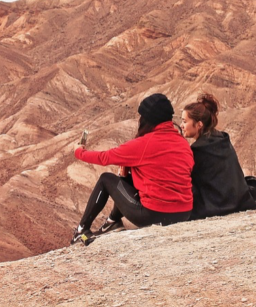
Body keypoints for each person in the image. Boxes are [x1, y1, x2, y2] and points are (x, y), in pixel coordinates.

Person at [71, 93, 194, 245]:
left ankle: (81, 230)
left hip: (155, 215)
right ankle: (112, 222)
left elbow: (104, 157)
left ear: (148, 119)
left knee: (106, 179)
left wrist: (79, 152)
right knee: (129, 175)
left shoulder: (144, 143)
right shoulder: (183, 143)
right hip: (184, 213)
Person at [181, 93, 256, 220]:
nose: (182, 126)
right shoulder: (222, 139)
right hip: (238, 200)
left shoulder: (198, 150)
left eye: (185, 121)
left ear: (199, 124)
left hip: (215, 206)